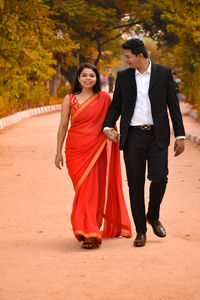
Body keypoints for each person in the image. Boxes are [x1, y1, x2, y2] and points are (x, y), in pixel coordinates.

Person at [103, 39, 185, 247]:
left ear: (140, 55)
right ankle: (141, 230)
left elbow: (173, 105)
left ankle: (153, 214)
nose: (126, 60)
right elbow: (116, 106)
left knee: (160, 176)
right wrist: (107, 126)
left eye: (128, 56)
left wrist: (181, 136)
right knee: (135, 184)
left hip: (157, 135)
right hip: (132, 137)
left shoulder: (163, 73)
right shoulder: (123, 77)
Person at [55, 63, 132, 249]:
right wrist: (58, 152)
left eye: (92, 75)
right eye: (84, 75)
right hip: (75, 150)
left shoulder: (104, 98)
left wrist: (114, 134)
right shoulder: (69, 99)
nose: (88, 78)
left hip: (96, 150)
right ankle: (87, 227)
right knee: (83, 189)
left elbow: (111, 120)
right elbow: (63, 126)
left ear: (97, 78)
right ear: (78, 78)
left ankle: (88, 232)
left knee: (91, 191)